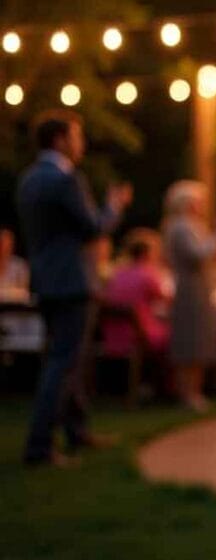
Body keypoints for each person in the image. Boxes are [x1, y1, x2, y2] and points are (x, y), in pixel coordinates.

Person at [16, 110, 132, 466]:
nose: (82, 144)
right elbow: (92, 227)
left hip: (45, 281)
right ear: (60, 140)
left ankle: (76, 431)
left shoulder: (29, 179)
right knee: (63, 364)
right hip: (72, 282)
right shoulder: (65, 179)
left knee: (67, 360)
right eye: (77, 136)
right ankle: (40, 446)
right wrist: (113, 207)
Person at [163, 181, 216, 412]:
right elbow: (198, 255)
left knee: (200, 340)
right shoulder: (181, 227)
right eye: (198, 201)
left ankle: (196, 391)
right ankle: (187, 393)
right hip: (190, 290)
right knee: (189, 340)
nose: (202, 205)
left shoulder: (192, 226)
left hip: (200, 288)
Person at [102, 229, 170, 359]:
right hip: (137, 335)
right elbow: (166, 299)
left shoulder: (118, 273)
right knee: (179, 336)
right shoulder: (147, 274)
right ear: (146, 253)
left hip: (111, 337)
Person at [0, 228, 29, 293]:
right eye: (1, 243)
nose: (4, 247)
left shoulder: (20, 265)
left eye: (7, 243)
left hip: (13, 302)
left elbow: (23, 292)